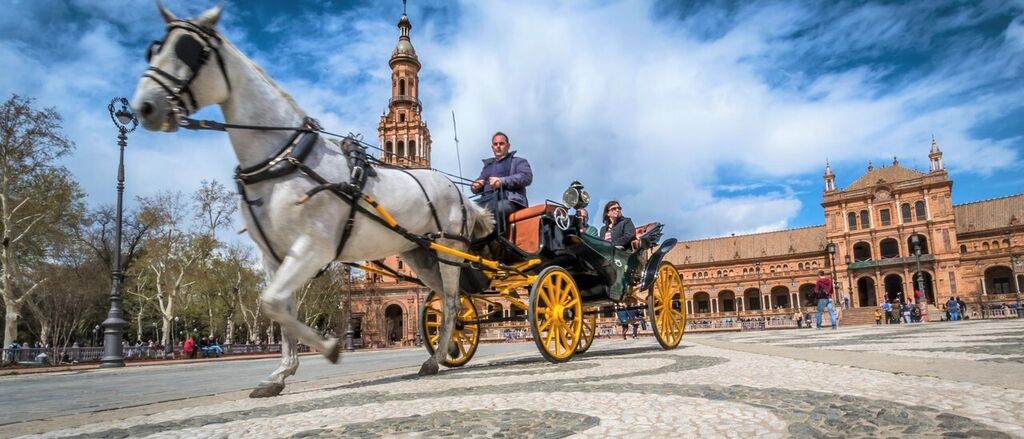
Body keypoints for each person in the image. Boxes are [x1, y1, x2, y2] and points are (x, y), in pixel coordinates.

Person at [470, 132, 533, 230]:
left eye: (501, 143)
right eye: (495, 144)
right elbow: (478, 183)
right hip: (487, 202)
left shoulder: (518, 161)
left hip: (511, 201)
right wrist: (475, 186)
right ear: (492, 147)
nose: (498, 146)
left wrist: (502, 181)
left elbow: (526, 177)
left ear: (508, 146)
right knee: (468, 213)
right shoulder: (487, 167)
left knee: (495, 210)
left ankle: (493, 241)